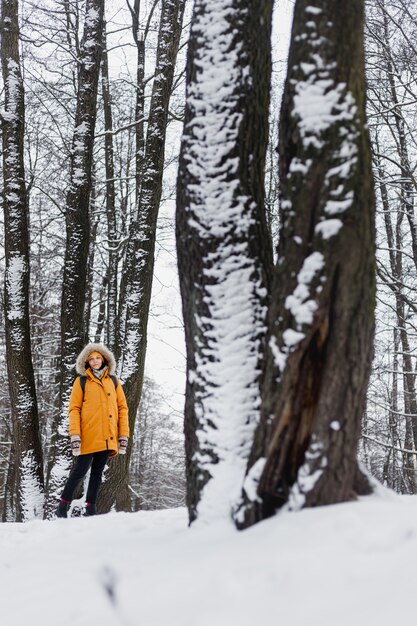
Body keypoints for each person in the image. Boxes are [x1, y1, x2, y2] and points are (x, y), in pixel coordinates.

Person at [56, 343, 129, 518]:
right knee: (79, 472)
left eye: (97, 357)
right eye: (91, 359)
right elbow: (74, 409)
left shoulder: (113, 381)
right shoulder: (81, 381)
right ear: (87, 362)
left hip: (108, 437)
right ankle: (62, 506)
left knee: (97, 474)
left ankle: (90, 508)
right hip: (88, 436)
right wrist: (75, 435)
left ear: (104, 359)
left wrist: (123, 435)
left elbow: (122, 408)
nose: (95, 361)